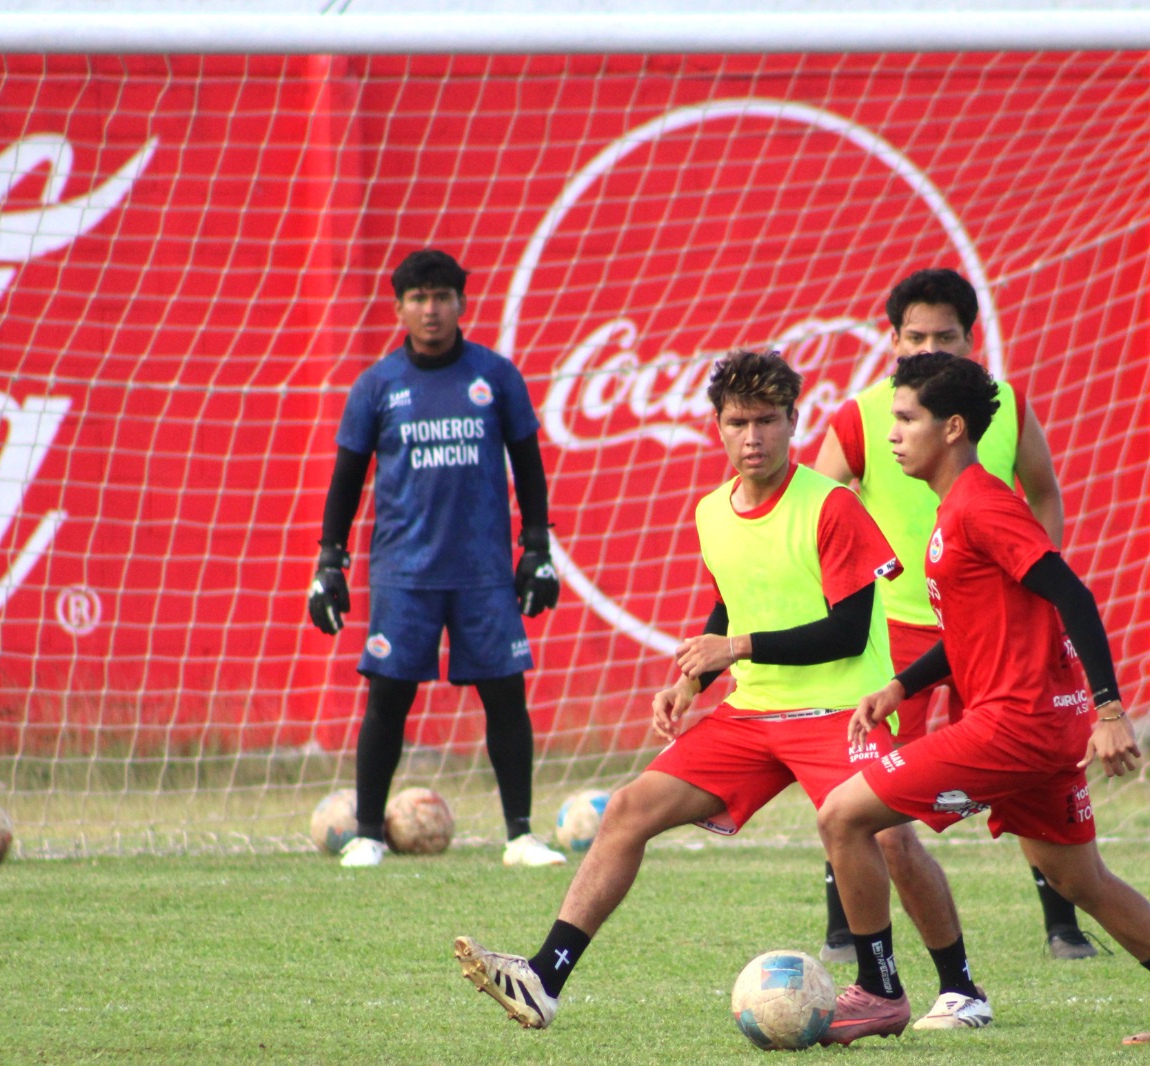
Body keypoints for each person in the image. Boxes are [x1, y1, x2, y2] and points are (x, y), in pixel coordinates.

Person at [453, 350, 986, 1042]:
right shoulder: (712, 511)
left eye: (768, 420)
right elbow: (730, 604)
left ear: (795, 422)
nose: (753, 437)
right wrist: (691, 679)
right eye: (739, 422)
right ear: (718, 427)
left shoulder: (831, 506)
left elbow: (849, 632)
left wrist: (732, 650)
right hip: (753, 716)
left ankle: (947, 989)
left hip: (839, 713)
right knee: (628, 810)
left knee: (889, 840)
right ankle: (545, 977)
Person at [815, 352, 1150, 1045]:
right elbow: (975, 635)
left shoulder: (982, 505)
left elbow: (1072, 592)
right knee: (1081, 881)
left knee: (844, 818)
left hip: (1013, 727)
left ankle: (877, 992)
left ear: (952, 428)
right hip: (1039, 726)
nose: (892, 434)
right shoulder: (958, 508)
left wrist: (1111, 710)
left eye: (905, 418)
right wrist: (900, 684)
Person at [810, 267, 1096, 961]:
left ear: (971, 338)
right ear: (893, 338)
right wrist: (848, 599)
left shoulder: (1000, 408)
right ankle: (847, 931)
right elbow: (819, 508)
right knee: (868, 779)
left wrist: (1033, 570)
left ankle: (1061, 921)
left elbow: (1045, 492)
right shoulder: (864, 414)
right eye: (915, 336)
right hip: (898, 634)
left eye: (945, 335)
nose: (929, 345)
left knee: (1021, 761)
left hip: (991, 630)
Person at [307, 248, 567, 869]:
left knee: (505, 695)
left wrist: (537, 547)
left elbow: (528, 465)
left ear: (461, 305)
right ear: (399, 308)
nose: (431, 309)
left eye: (442, 296)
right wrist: (329, 561)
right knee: (389, 697)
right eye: (419, 298)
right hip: (404, 573)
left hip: (481, 572)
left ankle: (520, 836)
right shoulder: (378, 385)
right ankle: (369, 833)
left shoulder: (496, 377)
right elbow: (346, 477)